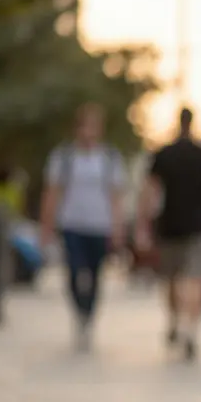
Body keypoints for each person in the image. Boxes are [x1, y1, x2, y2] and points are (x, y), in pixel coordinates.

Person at [135, 108, 201, 361]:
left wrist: (143, 225)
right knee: (196, 280)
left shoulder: (163, 155)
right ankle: (190, 328)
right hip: (200, 227)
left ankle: (176, 321)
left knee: (173, 279)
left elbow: (149, 192)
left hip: (170, 226)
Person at [40, 103, 128, 351]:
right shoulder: (64, 157)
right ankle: (78, 311)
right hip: (72, 224)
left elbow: (116, 197)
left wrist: (118, 228)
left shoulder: (109, 159)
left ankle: (88, 315)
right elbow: (52, 192)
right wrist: (46, 227)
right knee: (75, 272)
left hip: (100, 226)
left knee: (95, 274)